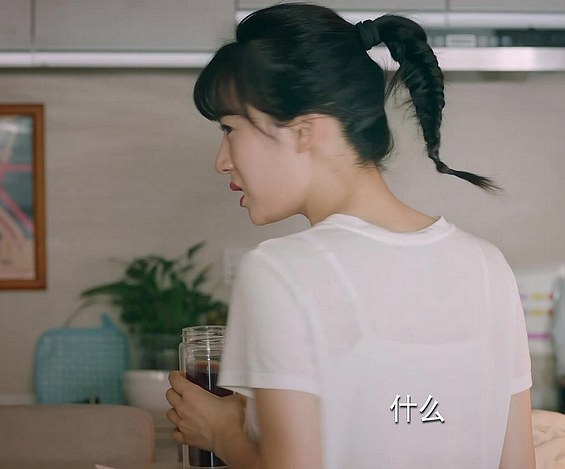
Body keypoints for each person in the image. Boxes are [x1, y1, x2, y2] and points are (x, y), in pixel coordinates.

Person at [165, 3, 534, 468]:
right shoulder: (487, 265)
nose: (222, 161)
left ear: (304, 131)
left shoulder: (279, 270)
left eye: (230, 129)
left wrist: (222, 433)